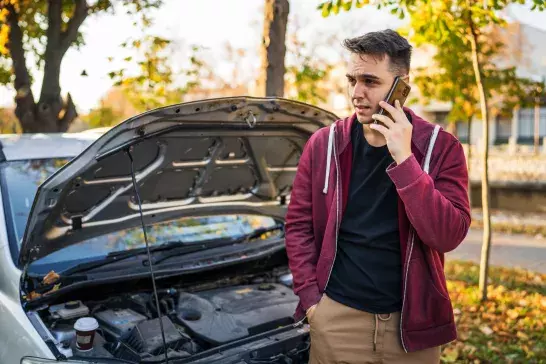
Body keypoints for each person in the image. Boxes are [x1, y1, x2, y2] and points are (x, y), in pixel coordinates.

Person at [284, 29, 471, 364]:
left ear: (402, 85)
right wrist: (313, 302)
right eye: (351, 80)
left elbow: (448, 235)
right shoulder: (324, 145)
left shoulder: (441, 147)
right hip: (336, 319)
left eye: (370, 81)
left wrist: (405, 160)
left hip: (412, 327)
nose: (357, 93)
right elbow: (298, 226)